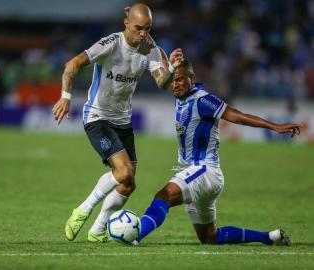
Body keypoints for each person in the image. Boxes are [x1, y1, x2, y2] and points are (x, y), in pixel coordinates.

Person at [52, 3, 183, 242]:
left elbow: (162, 82)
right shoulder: (111, 44)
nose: (143, 34)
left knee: (129, 184)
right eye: (138, 28)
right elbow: (72, 65)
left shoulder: (151, 50)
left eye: (148, 29)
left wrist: (172, 67)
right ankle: (82, 210)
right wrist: (65, 97)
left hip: (123, 120)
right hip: (97, 116)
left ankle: (97, 230)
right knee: (122, 172)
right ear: (126, 23)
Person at [135, 59, 301, 246]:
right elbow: (162, 75)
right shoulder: (180, 96)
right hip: (204, 175)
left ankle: (135, 235)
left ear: (192, 78)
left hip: (204, 170)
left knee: (163, 196)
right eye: (173, 80)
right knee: (209, 238)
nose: (175, 84)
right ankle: (270, 237)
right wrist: (168, 58)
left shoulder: (203, 100)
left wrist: (276, 127)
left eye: (180, 79)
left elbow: (238, 116)